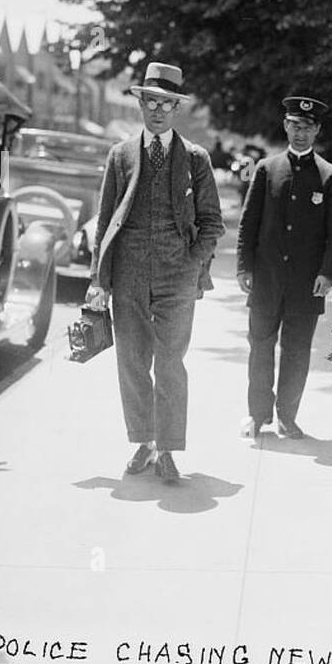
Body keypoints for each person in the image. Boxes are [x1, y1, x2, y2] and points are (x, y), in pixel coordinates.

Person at [85, 62, 225, 483]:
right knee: (131, 362)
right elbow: (105, 219)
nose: (158, 111)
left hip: (176, 279)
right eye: (151, 102)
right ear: (141, 104)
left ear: (176, 109)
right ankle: (143, 443)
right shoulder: (121, 154)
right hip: (127, 274)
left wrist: (191, 263)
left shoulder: (196, 159)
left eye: (166, 103)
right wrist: (98, 280)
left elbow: (213, 222)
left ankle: (167, 450)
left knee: (169, 364)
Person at [236, 96, 332, 439]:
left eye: (308, 127)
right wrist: (244, 267)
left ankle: (287, 414)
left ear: (317, 130)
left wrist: (328, 274)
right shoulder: (266, 169)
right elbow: (248, 222)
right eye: (295, 126)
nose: (301, 133)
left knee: (297, 351)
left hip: (306, 283)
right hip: (267, 278)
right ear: (285, 126)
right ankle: (257, 415)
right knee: (260, 347)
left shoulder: (330, 177)